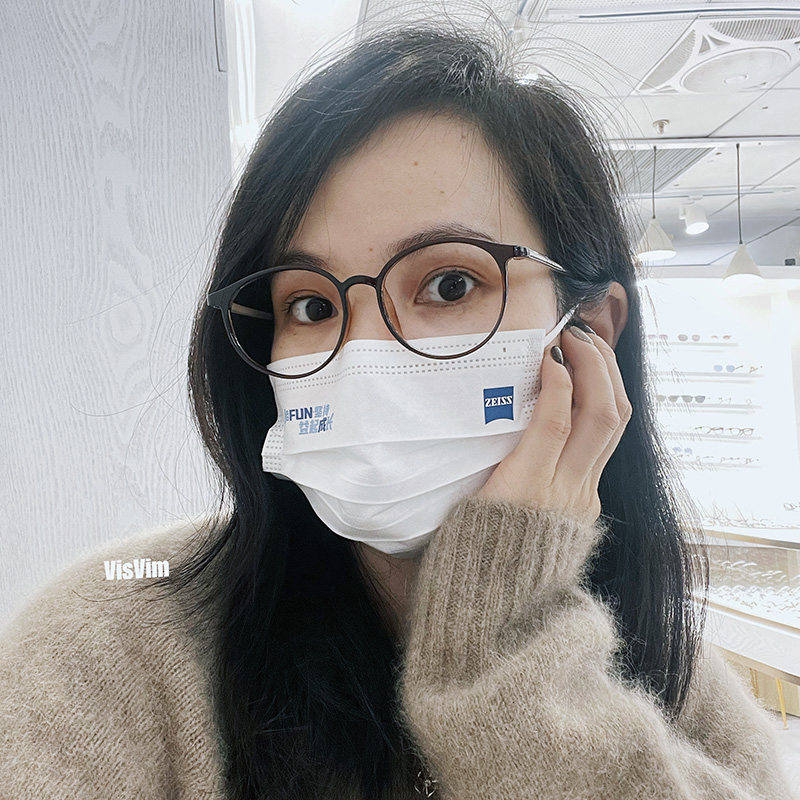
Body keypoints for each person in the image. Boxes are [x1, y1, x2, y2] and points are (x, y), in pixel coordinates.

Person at [1, 20, 796, 800]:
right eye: (311, 305)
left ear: (588, 331)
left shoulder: (674, 681)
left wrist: (505, 656)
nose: (364, 359)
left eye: (450, 285)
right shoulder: (108, 650)